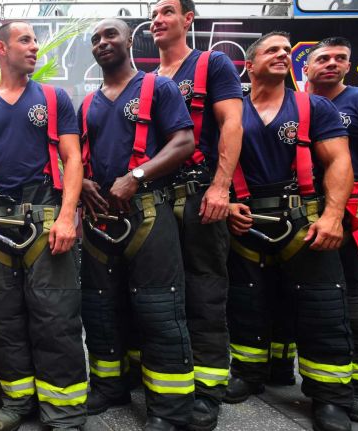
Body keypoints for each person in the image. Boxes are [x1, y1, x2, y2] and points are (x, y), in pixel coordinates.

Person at [0, 21, 87, 431]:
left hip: (45, 217)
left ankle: (64, 411)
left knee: (56, 316)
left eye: (35, 40)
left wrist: (68, 215)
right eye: (25, 40)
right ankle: (18, 401)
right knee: (3, 318)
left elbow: (73, 159)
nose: (35, 47)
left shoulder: (53, 98)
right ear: (1, 48)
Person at [224, 32, 355, 431]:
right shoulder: (230, 113)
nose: (283, 54)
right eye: (272, 50)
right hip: (245, 225)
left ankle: (329, 397)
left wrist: (333, 217)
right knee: (245, 306)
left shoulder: (313, 107)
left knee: (322, 310)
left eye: (286, 50)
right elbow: (216, 168)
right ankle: (248, 373)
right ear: (249, 64)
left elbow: (339, 162)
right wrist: (227, 204)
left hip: (304, 222)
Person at [79, 18, 196, 431]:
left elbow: (184, 142)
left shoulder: (157, 88)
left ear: (130, 40)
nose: (102, 42)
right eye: (95, 39)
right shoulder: (89, 104)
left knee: (159, 308)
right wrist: (87, 182)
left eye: (110, 34)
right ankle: (110, 386)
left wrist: (138, 176)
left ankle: (170, 408)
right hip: (100, 223)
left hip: (149, 213)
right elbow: (76, 157)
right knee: (100, 306)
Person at [150, 1, 244, 428]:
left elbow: (231, 124)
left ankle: (207, 391)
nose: (157, 19)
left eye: (168, 10)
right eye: (153, 13)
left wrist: (221, 186)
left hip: (200, 195)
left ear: (189, 18)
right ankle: (170, 382)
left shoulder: (212, 64)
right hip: (156, 203)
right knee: (163, 297)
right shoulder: (148, 80)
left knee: (205, 292)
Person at [303, 36, 358, 424]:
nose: (331, 63)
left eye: (340, 58)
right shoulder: (295, 103)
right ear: (307, 67)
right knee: (312, 300)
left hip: (354, 216)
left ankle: (354, 391)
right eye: (323, 58)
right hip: (304, 213)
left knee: (354, 301)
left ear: (349, 66)